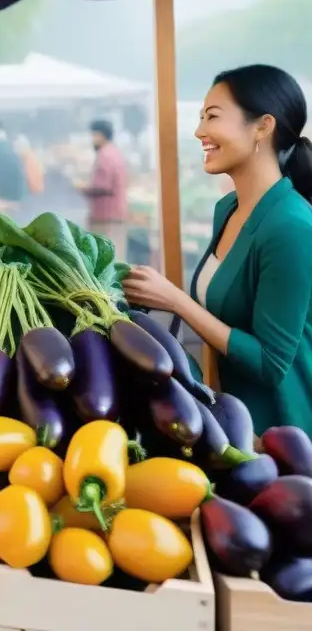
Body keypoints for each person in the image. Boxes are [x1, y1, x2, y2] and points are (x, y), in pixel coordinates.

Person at [123, 65, 312, 435]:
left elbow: (271, 363)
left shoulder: (291, 227)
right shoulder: (226, 210)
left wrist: (176, 300)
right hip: (234, 424)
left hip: (284, 433)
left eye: (212, 117)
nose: (199, 132)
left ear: (263, 126)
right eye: (200, 118)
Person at [80, 118, 128, 257]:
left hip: (105, 215)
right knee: (116, 251)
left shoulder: (104, 155)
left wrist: (84, 188)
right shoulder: (114, 152)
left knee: (103, 254)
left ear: (100, 135)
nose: (92, 139)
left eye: (94, 135)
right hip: (116, 212)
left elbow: (102, 187)